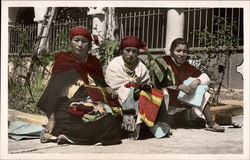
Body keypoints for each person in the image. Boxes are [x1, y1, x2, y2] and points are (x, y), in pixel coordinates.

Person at [37, 26, 122, 145]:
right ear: (70, 41)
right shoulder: (63, 60)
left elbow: (101, 82)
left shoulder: (94, 62)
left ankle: (68, 136)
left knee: (112, 120)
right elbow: (53, 90)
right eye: (76, 40)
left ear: (89, 44)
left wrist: (107, 88)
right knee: (71, 120)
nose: (80, 44)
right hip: (67, 104)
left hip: (93, 103)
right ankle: (74, 135)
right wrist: (52, 119)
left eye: (84, 41)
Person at [105, 36, 171, 140]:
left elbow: (146, 82)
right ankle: (131, 129)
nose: (131, 54)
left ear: (138, 53)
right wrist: (133, 89)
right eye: (127, 50)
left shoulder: (141, 66)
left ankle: (155, 128)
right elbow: (114, 84)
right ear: (122, 51)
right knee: (135, 94)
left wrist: (143, 88)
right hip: (118, 92)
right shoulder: (115, 64)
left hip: (138, 92)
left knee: (157, 94)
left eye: (134, 51)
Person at [162, 38, 225, 132]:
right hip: (166, 103)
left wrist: (198, 81)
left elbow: (205, 77)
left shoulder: (188, 67)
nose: (181, 54)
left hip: (181, 104)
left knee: (203, 91)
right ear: (171, 51)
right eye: (178, 51)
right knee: (162, 91)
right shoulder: (164, 62)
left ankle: (211, 123)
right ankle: (162, 121)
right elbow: (159, 80)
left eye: (184, 51)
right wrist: (179, 87)